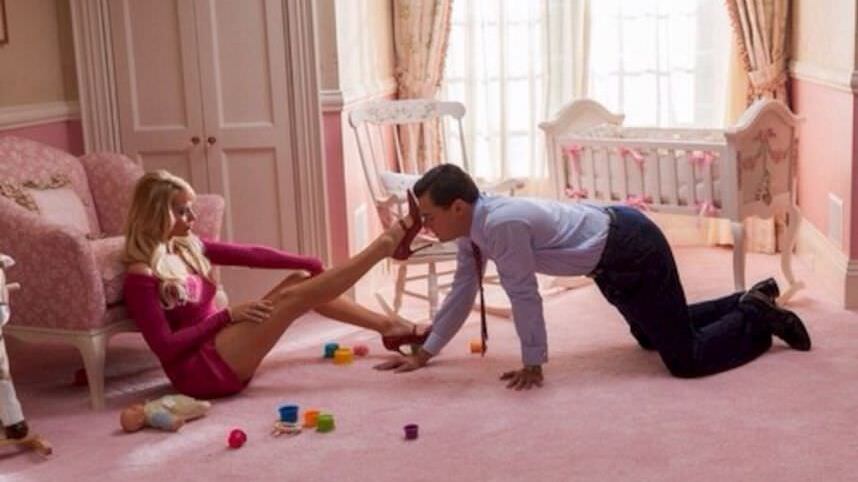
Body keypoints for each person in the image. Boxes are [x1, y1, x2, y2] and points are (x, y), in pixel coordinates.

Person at [375, 164, 811, 390]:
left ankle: (757, 316)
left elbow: (524, 295)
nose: (425, 226)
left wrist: (533, 361)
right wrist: (425, 353)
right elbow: (462, 291)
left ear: (457, 207)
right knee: (650, 336)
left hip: (632, 247)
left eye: (429, 216)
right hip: (611, 255)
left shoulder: (502, 226)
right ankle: (749, 297)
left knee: (686, 360)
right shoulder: (472, 229)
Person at [122, 170, 427, 399]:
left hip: (221, 342)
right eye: (182, 211)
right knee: (295, 297)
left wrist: (307, 261)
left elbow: (252, 255)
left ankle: (389, 327)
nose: (192, 216)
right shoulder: (142, 276)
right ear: (157, 215)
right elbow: (165, 348)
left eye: (191, 207)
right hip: (200, 370)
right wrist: (226, 316)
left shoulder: (186, 246)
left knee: (301, 280)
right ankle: (385, 245)